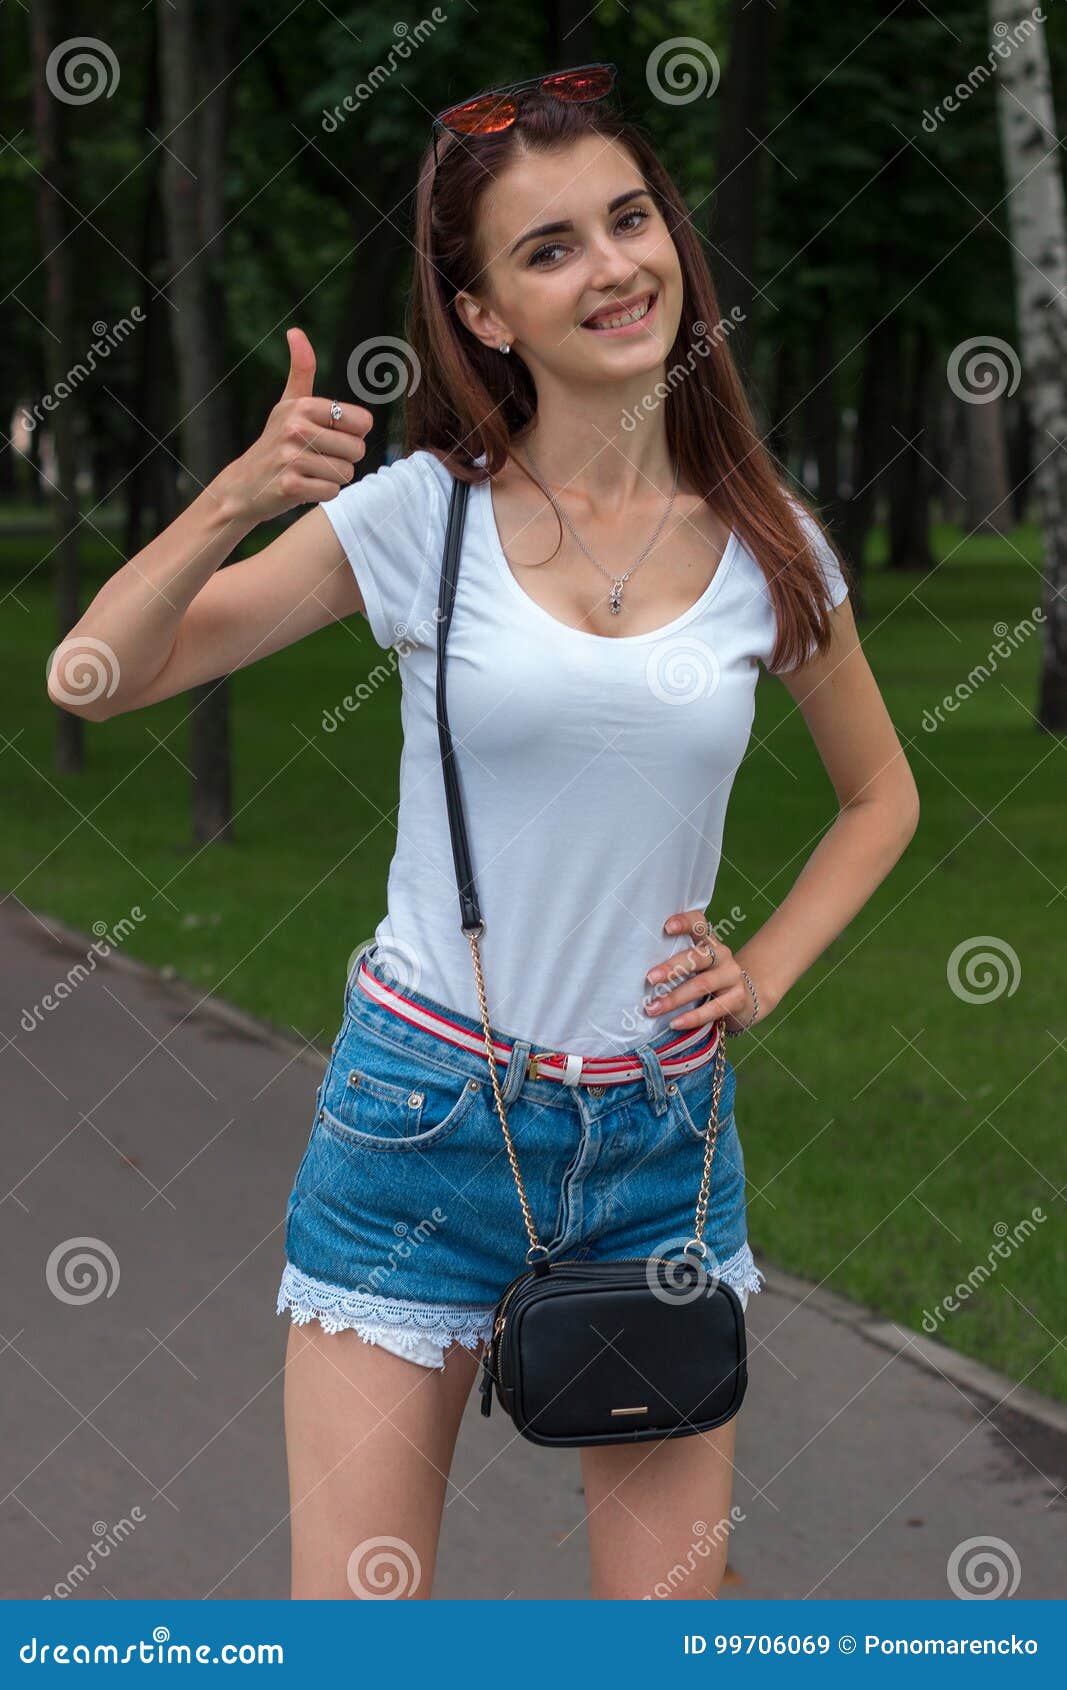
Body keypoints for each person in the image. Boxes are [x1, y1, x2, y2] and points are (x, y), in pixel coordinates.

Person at [46, 64, 919, 1601]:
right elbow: (97, 677)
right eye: (551, 247)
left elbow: (882, 795)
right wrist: (234, 497)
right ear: (487, 314)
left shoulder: (766, 542)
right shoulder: (416, 518)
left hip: (660, 1140)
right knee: (364, 1636)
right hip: (422, 1126)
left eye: (630, 220)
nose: (615, 266)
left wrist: (764, 971)